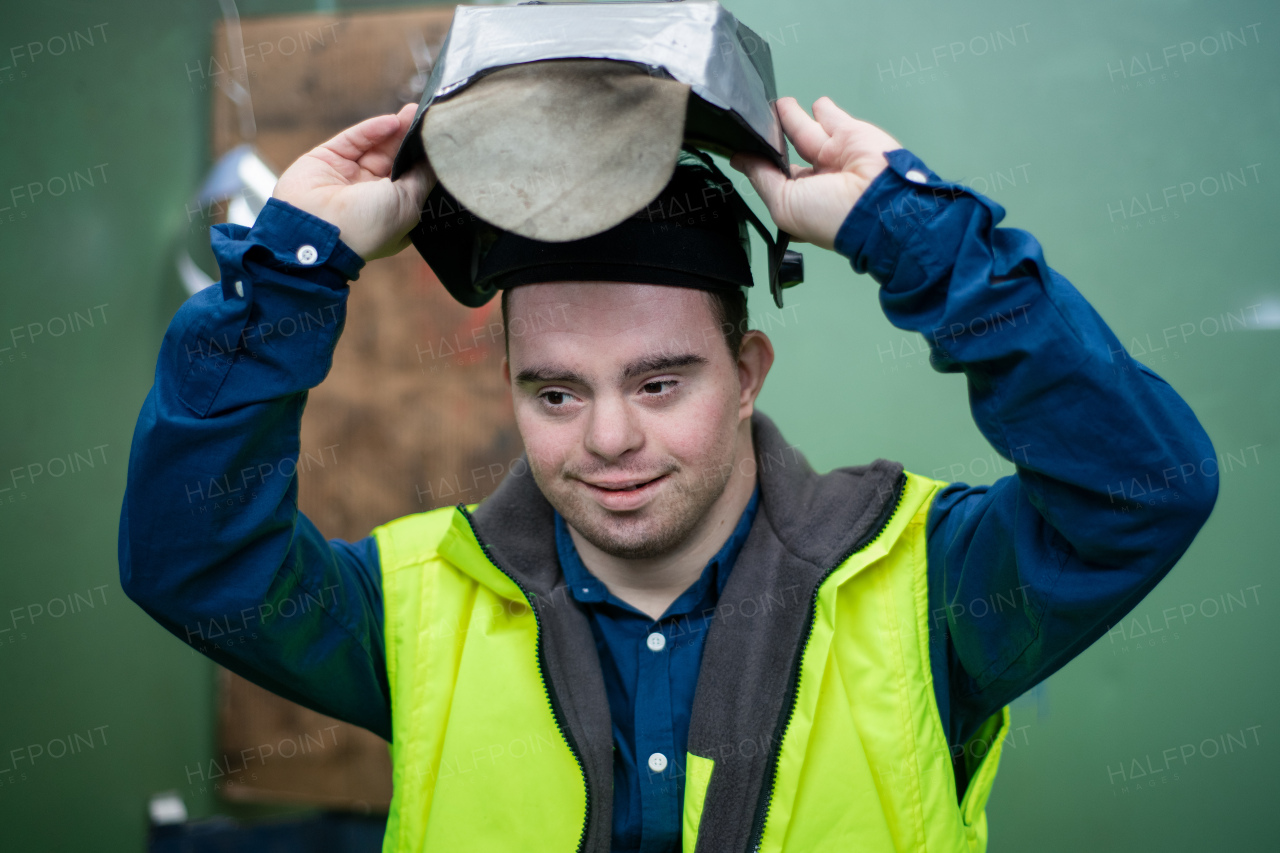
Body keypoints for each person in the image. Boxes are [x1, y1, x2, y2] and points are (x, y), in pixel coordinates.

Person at [120, 97, 1217, 852]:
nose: (604, 439)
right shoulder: (410, 612)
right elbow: (192, 560)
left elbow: (1138, 486)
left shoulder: (924, 587)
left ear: (745, 372)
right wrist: (289, 269)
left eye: (657, 383)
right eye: (555, 392)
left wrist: (912, 234)